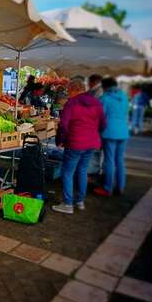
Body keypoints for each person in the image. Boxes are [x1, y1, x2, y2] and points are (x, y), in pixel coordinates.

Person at [52, 80, 106, 214]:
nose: (68, 94)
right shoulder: (96, 102)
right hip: (92, 143)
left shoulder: (72, 103)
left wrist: (60, 140)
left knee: (68, 172)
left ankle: (68, 204)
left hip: (76, 142)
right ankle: (80, 201)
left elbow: (63, 125)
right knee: (82, 170)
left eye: (69, 91)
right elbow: (103, 124)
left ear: (74, 89)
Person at [94, 78, 129, 197]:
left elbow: (100, 117)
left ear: (105, 87)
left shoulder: (104, 98)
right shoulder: (123, 96)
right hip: (123, 131)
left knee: (109, 160)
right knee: (119, 161)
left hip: (110, 132)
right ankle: (120, 187)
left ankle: (107, 188)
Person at [87, 74, 103, 177]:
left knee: (93, 151)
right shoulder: (100, 91)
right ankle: (93, 172)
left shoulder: (97, 93)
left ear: (93, 82)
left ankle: (90, 173)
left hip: (95, 126)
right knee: (96, 151)